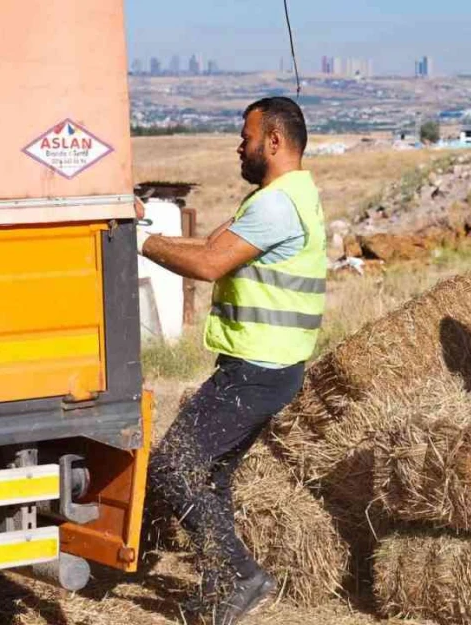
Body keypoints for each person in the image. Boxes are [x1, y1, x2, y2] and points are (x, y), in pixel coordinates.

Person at [137, 96, 326, 625]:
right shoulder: (287, 195)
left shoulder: (275, 205)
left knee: (175, 464)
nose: (238, 146)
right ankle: (226, 584)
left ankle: (240, 575)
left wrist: (140, 241)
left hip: (259, 367)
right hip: (270, 365)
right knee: (209, 475)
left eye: (245, 137)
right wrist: (147, 225)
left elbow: (208, 262)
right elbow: (215, 242)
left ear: (274, 140)